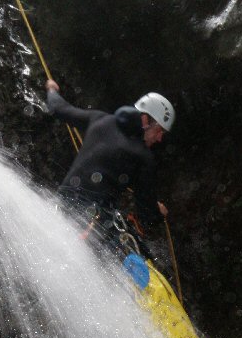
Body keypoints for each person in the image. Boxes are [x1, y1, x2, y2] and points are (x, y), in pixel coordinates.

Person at [45, 79, 175, 228]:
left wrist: (52, 90)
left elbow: (59, 108)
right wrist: (159, 213)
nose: (159, 138)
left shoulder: (99, 119)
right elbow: (147, 217)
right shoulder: (143, 157)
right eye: (159, 130)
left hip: (60, 207)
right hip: (87, 225)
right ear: (145, 120)